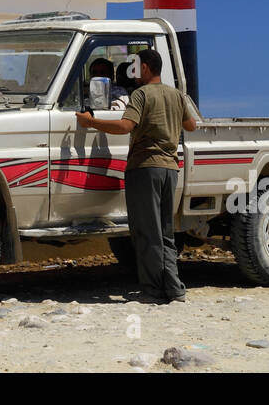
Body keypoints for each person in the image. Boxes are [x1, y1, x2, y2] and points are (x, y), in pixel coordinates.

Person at [76, 49, 198, 303]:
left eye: (136, 66)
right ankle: (174, 289)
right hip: (170, 169)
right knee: (165, 231)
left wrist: (91, 122)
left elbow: (124, 126)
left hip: (145, 168)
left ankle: (153, 290)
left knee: (145, 232)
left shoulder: (141, 94)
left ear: (144, 68)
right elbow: (191, 125)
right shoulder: (176, 94)